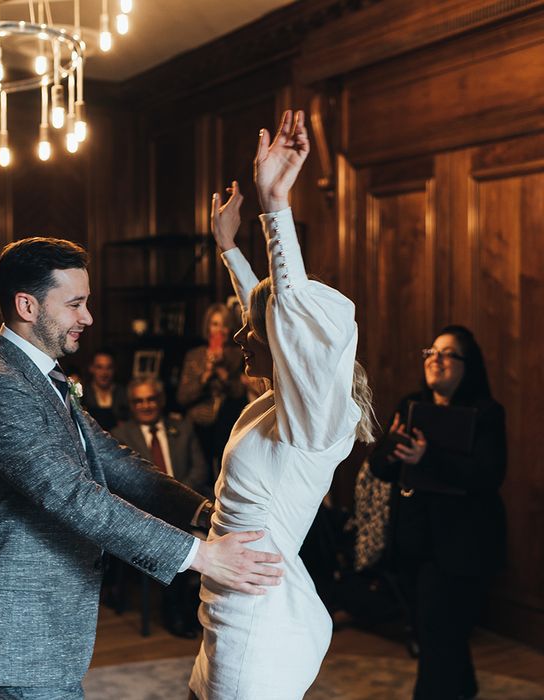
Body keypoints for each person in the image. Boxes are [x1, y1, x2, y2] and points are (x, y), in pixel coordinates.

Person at [0, 236, 284, 699]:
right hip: (19, 629)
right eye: (75, 304)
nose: (87, 317)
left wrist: (204, 512)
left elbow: (112, 460)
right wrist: (200, 556)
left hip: (51, 624)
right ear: (27, 305)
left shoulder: (42, 374)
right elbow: (72, 495)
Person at [188, 110, 376, 699]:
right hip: (224, 605)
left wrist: (276, 208)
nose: (242, 336)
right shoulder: (281, 404)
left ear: (291, 350)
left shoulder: (315, 421)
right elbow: (263, 308)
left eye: (255, 332)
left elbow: (285, 312)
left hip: (258, 620)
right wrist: (227, 247)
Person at [369, 325, 507, 700]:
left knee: (437, 633)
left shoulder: (486, 413)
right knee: (437, 632)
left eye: (448, 353)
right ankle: (464, 688)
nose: (437, 359)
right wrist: (393, 450)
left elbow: (488, 474)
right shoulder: (411, 406)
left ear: (468, 365)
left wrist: (428, 458)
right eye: (432, 351)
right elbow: (379, 467)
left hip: (464, 547)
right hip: (414, 543)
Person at [113, 377, 211, 637]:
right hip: (149, 516)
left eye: (151, 399)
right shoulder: (120, 437)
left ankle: (198, 609)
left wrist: (176, 498)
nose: (146, 405)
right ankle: (176, 614)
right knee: (173, 543)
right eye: (138, 401)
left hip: (188, 510)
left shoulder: (183, 427)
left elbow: (200, 469)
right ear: (131, 405)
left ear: (161, 400)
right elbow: (125, 483)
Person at [177, 303, 245, 475]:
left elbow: (239, 393)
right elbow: (183, 397)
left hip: (228, 423)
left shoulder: (237, 354)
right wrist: (205, 375)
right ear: (208, 326)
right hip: (198, 424)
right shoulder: (195, 355)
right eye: (215, 324)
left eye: (224, 325)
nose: (219, 330)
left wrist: (223, 372)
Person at [80, 348, 129, 431]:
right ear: (91, 368)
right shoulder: (83, 394)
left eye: (109, 367)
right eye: (99, 367)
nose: (104, 373)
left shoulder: (124, 393)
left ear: (114, 369)